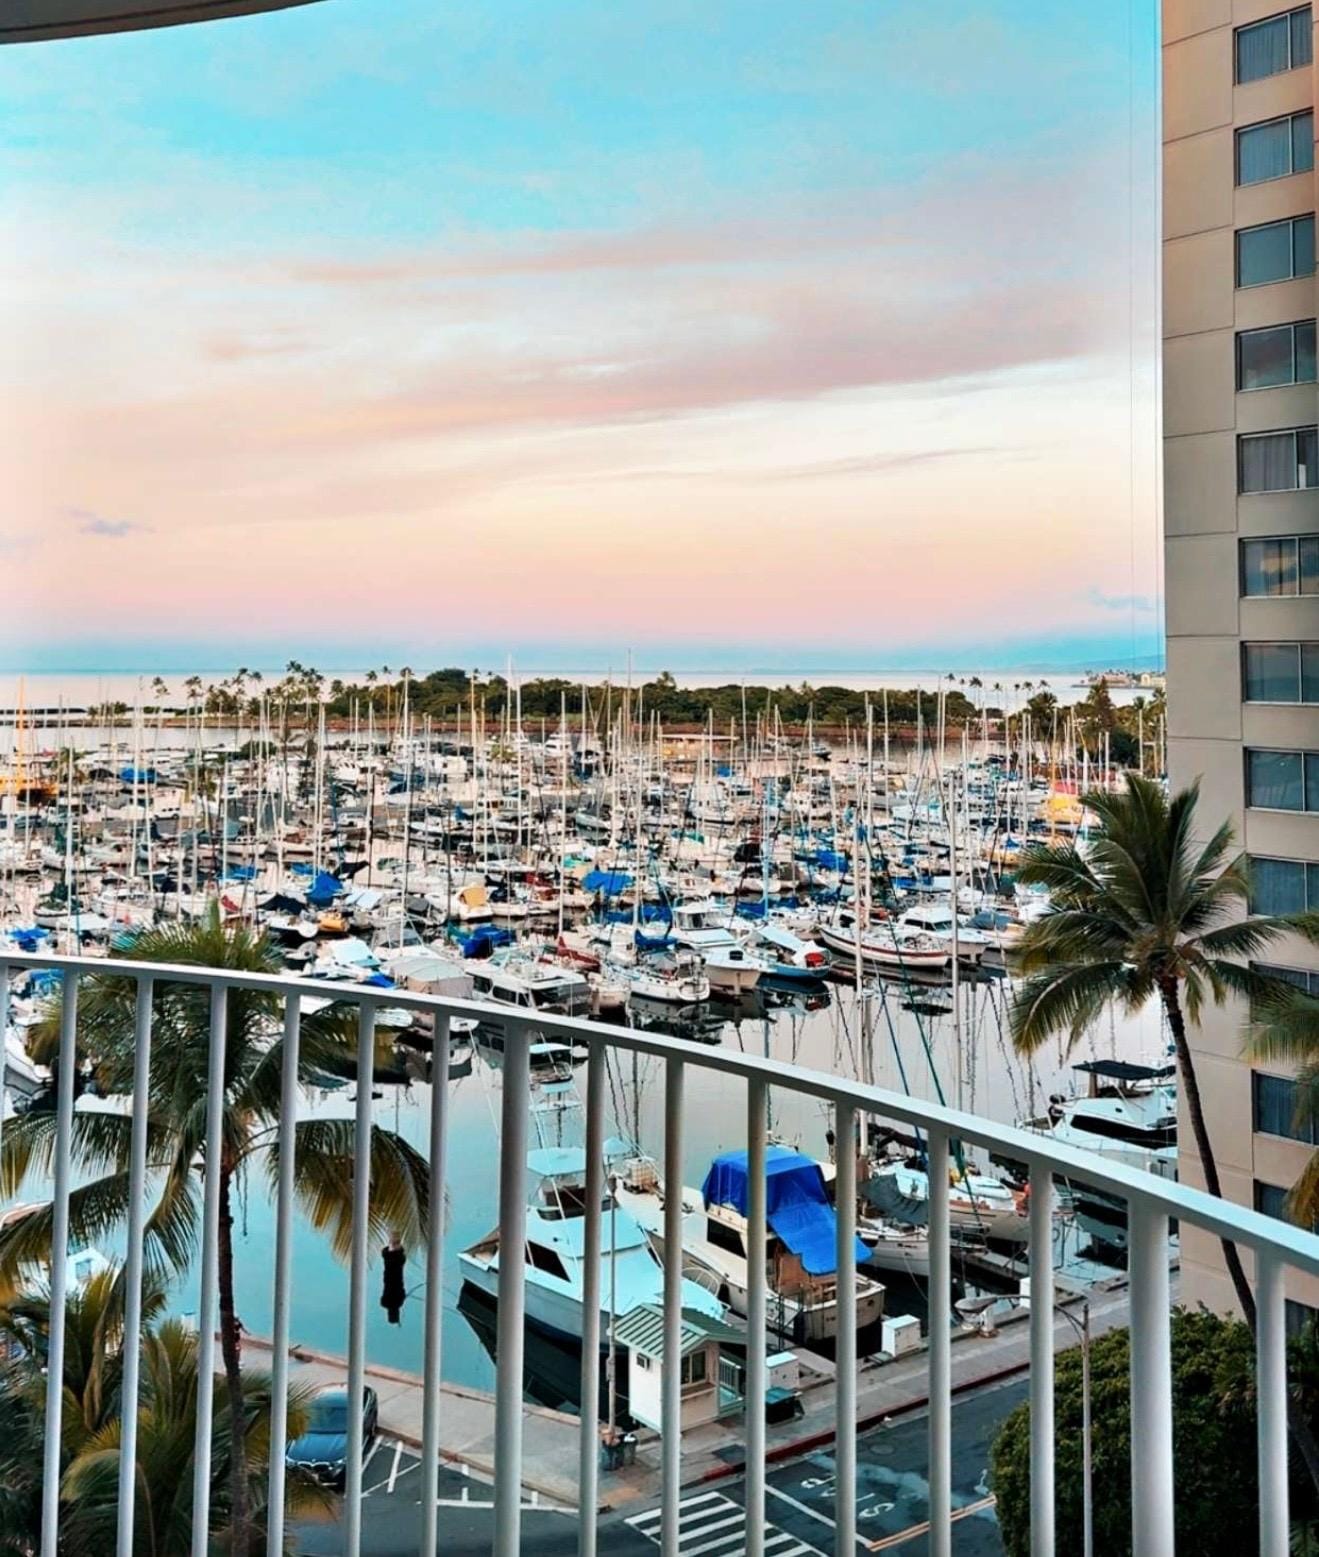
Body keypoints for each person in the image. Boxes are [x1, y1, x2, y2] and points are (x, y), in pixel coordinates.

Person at [381, 1231, 407, 1325]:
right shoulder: (385, 1302)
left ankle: (394, 1240)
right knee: (390, 1260)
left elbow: (402, 1291)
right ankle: (393, 1241)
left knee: (394, 1259)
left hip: (395, 1274)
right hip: (390, 1274)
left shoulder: (399, 1301)